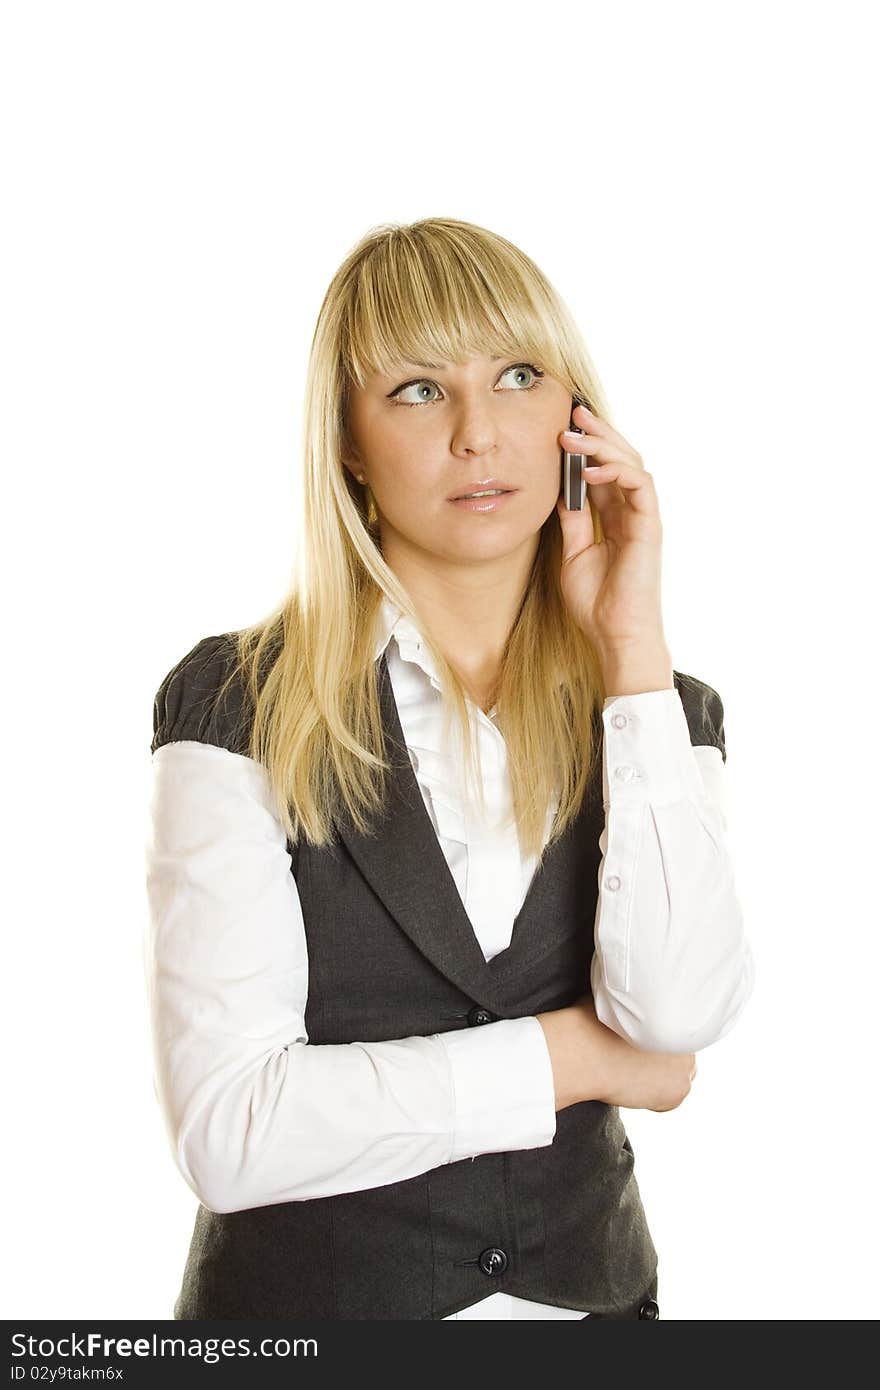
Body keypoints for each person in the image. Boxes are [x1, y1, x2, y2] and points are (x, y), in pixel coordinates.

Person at [144, 216, 755, 1321]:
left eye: (517, 375)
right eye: (419, 390)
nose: (479, 434)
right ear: (345, 440)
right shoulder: (235, 703)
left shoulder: (660, 709)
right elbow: (233, 1129)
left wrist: (631, 652)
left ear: (577, 417)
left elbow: (670, 1018)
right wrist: (576, 1057)